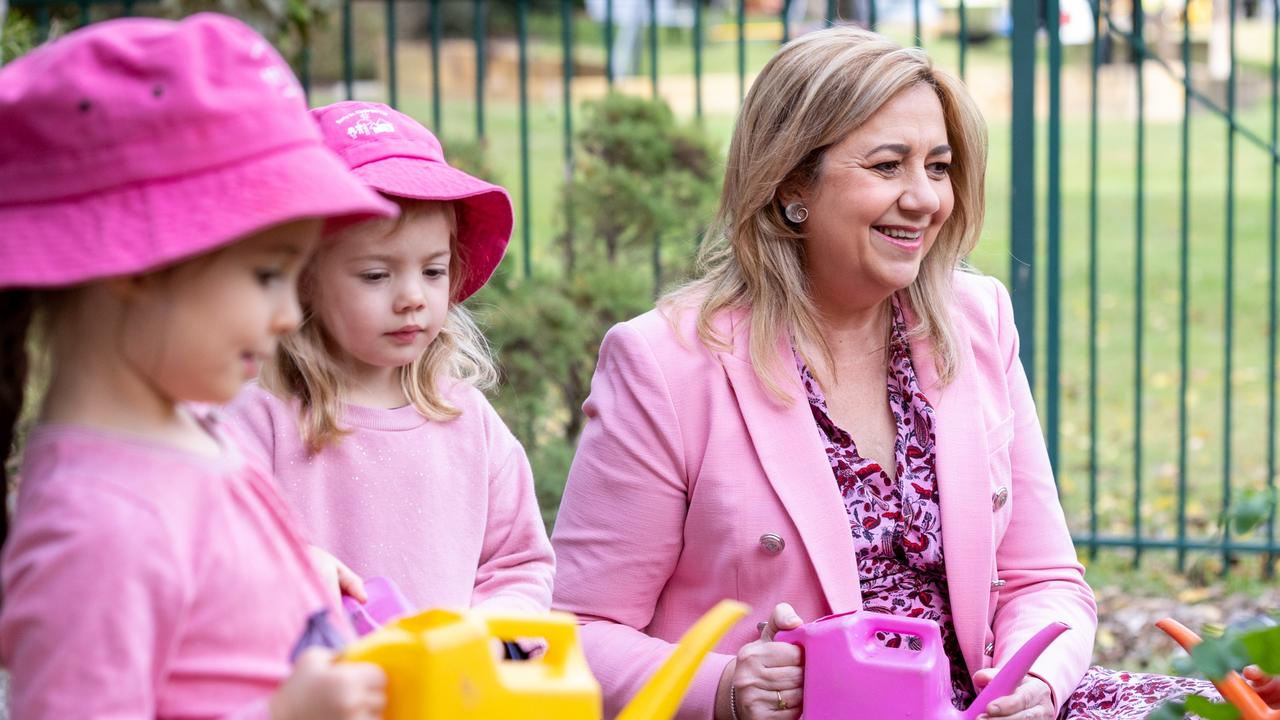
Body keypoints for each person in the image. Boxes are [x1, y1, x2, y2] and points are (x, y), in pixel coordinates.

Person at [550, 25, 1230, 720]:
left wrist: (1035, 681)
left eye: (938, 167)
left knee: (1219, 710)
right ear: (790, 184)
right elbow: (572, 638)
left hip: (977, 709)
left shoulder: (976, 320)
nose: (926, 199)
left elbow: (1046, 578)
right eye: (886, 166)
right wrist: (725, 687)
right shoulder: (667, 362)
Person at [0, 14, 398, 718]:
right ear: (139, 264)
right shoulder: (98, 528)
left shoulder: (177, 433)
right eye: (267, 274)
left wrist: (288, 582)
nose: (287, 315)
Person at [227, 101, 554, 617]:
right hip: (318, 693)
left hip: (450, 692)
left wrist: (496, 630)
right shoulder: (259, 421)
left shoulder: (469, 422)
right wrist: (291, 569)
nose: (412, 298)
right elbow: (215, 553)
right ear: (304, 277)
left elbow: (517, 565)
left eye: (433, 271)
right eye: (377, 275)